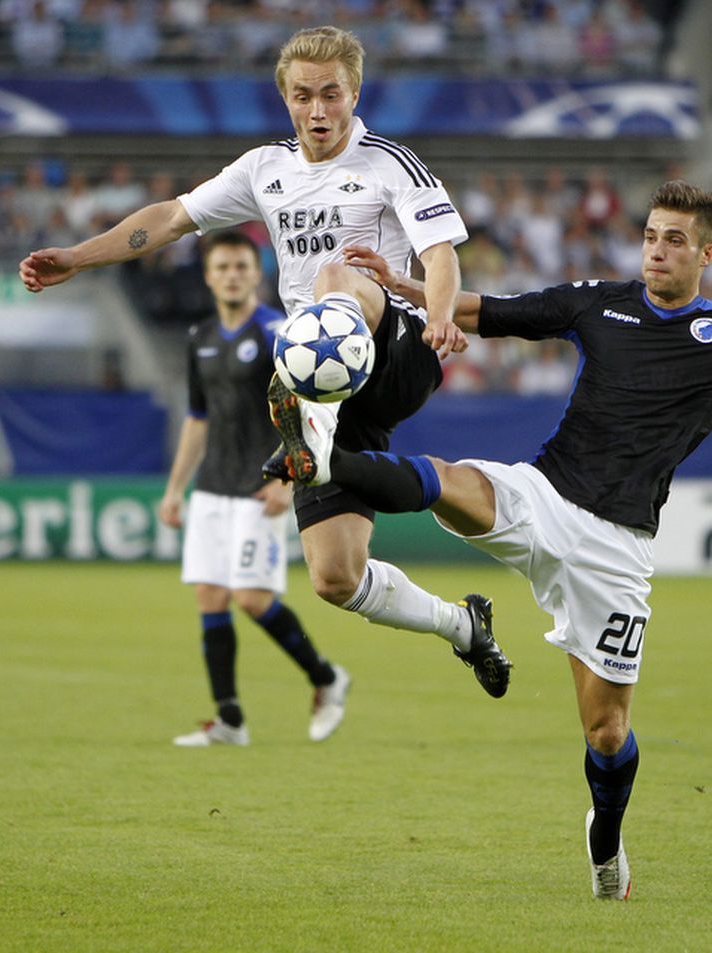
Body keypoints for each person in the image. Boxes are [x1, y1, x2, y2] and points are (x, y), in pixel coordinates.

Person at [19, 24, 511, 700]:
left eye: (330, 95)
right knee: (336, 577)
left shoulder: (390, 163)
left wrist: (436, 313)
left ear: (354, 93)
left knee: (337, 275)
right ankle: (462, 626)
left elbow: (439, 254)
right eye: (302, 96)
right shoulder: (264, 170)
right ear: (285, 99)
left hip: (397, 349)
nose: (317, 111)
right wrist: (76, 256)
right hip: (323, 379)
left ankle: (307, 425)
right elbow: (169, 218)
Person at [268, 180, 712, 899]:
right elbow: (490, 312)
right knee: (450, 481)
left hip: (617, 548)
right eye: (651, 235)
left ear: (703, 253)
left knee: (605, 731)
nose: (656, 250)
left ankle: (605, 842)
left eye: (674, 240)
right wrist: (410, 289)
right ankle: (323, 459)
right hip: (544, 493)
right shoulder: (601, 302)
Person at [158, 230, 350, 745]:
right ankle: (229, 720)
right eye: (222, 267)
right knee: (210, 596)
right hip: (212, 487)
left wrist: (288, 478)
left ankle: (326, 677)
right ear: (208, 275)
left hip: (260, 485)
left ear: (255, 271)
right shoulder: (199, 338)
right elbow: (197, 419)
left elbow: (307, 409)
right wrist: (176, 489)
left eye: (241, 266)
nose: (231, 275)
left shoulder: (278, 334)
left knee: (250, 597)